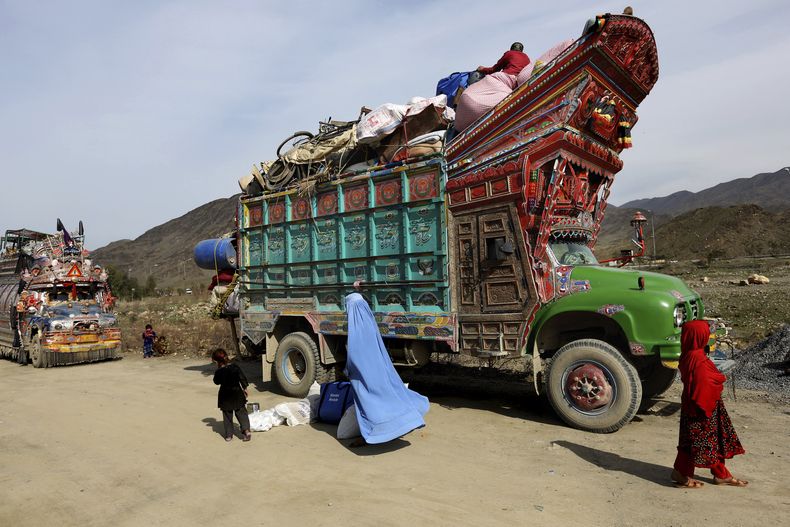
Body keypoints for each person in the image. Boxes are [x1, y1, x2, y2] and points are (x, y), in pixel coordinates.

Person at [344, 292, 429, 445]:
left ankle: (374, 433)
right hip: (380, 368)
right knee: (389, 394)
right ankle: (404, 421)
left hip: (363, 373)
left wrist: (348, 368)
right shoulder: (369, 322)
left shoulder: (355, 327)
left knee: (369, 402)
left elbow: (355, 354)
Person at [671, 320, 748, 488]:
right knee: (702, 441)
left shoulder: (689, 354)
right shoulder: (697, 359)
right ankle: (682, 474)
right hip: (701, 407)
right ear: (698, 336)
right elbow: (703, 384)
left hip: (700, 405)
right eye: (705, 334)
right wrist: (718, 381)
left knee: (707, 440)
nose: (707, 336)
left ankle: (720, 474)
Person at [211, 348, 251, 442]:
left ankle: (229, 436)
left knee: (227, 416)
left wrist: (218, 370)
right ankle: (246, 431)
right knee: (242, 413)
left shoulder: (219, 371)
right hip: (237, 393)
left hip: (225, 396)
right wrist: (245, 388)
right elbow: (242, 378)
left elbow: (216, 382)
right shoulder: (235, 367)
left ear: (217, 361)